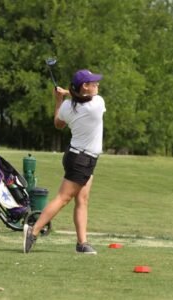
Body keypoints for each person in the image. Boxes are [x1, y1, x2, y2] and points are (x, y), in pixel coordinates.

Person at [23, 69, 106, 254]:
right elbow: (86, 97)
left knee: (82, 199)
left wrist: (59, 99)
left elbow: (58, 124)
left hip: (76, 156)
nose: (97, 85)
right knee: (63, 198)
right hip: (82, 159)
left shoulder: (67, 107)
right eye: (94, 83)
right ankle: (33, 231)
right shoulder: (97, 104)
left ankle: (82, 243)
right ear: (85, 86)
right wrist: (67, 93)